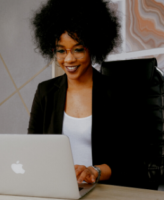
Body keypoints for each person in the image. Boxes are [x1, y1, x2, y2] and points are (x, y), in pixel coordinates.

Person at [27, 0, 133, 186]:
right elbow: (33, 148)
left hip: (102, 190)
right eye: (61, 51)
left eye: (78, 49)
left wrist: (95, 171)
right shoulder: (45, 92)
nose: (69, 59)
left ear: (93, 46)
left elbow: (129, 161)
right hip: (56, 187)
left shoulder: (115, 93)